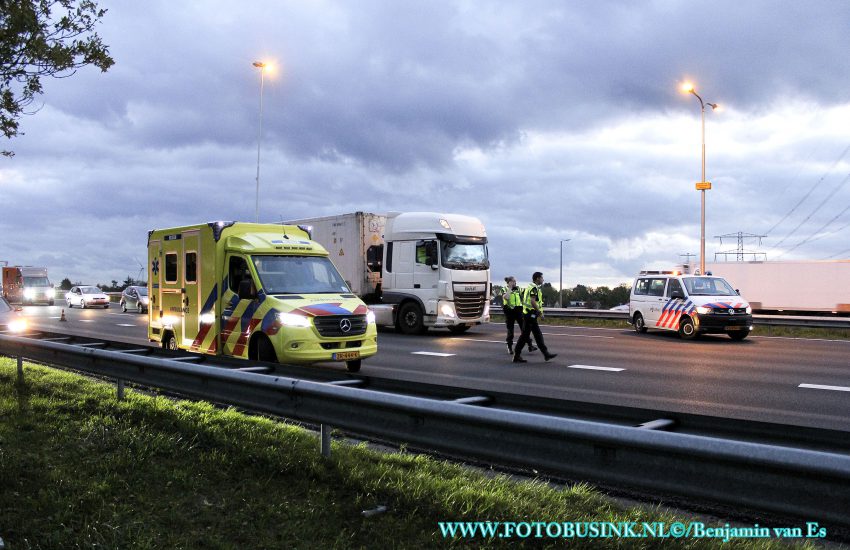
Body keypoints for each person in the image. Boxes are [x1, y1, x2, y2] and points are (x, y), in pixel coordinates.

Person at [513, 272, 557, 363]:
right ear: (537, 278)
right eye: (542, 278)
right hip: (530, 315)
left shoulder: (531, 287)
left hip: (530, 315)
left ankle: (546, 354)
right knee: (526, 336)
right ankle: (517, 355)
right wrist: (540, 313)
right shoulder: (533, 288)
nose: (543, 280)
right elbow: (533, 301)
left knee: (535, 335)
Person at [502, 276, 536, 355]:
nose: (515, 283)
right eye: (514, 281)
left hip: (518, 311)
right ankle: (509, 347)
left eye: (515, 281)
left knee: (525, 329)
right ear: (509, 282)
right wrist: (510, 288)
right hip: (509, 312)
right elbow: (506, 297)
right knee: (511, 331)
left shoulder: (518, 289)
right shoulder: (504, 289)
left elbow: (526, 292)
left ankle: (530, 345)